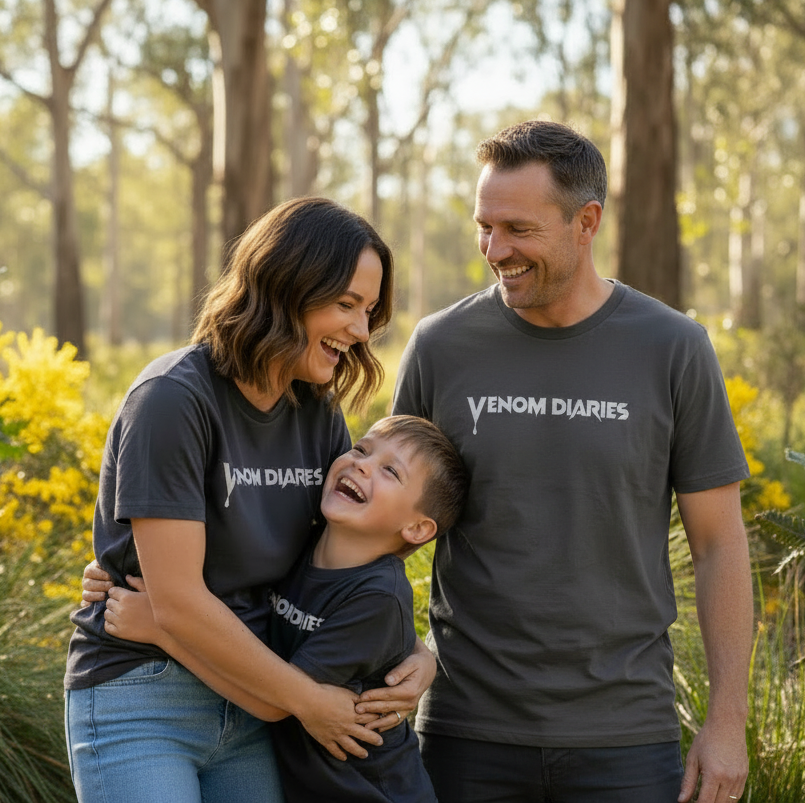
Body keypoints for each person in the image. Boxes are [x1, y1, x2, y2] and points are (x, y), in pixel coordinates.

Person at [362, 120, 753, 803]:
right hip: (464, 730)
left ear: (586, 222)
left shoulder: (674, 348)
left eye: (518, 229)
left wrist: (727, 721)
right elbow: (380, 531)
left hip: (627, 738)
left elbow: (720, 543)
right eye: (484, 226)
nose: (494, 249)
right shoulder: (440, 347)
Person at [64, 197, 435, 803]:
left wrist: (417, 653)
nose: (361, 331)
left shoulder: (317, 411)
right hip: (146, 695)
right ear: (284, 288)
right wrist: (311, 702)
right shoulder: (173, 400)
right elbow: (178, 602)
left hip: (263, 708)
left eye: (368, 311)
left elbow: (342, 560)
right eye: (345, 305)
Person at [102, 414, 470, 803]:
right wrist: (121, 564)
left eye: (390, 471)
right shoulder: (298, 544)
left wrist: (163, 630)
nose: (361, 463)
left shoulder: (377, 598)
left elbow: (275, 701)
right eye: (361, 449)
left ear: (416, 530)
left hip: (373, 792)